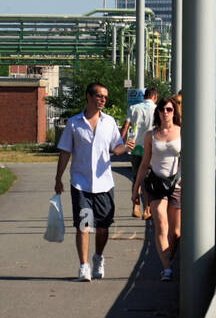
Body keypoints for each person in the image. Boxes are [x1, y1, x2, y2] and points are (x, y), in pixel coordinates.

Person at [55, 82, 127, 281]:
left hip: (104, 184)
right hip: (81, 184)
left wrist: (127, 147)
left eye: (105, 96)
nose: (103, 99)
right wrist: (58, 177)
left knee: (103, 227)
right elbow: (65, 152)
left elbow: (116, 148)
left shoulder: (110, 122)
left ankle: (98, 257)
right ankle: (84, 266)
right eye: (99, 96)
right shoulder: (74, 123)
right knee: (84, 225)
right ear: (88, 96)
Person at [132, 96, 182, 282]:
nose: (166, 113)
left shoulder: (181, 132)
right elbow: (145, 163)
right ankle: (166, 268)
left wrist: (183, 179)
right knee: (161, 223)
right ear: (158, 113)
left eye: (169, 109)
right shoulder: (151, 135)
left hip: (176, 184)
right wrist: (136, 188)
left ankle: (168, 256)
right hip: (156, 183)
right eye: (162, 110)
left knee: (176, 232)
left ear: (174, 112)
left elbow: (188, 158)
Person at [125, 87, 158, 219]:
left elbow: (126, 125)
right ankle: (147, 210)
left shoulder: (134, 108)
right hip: (150, 147)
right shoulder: (157, 109)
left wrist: (123, 143)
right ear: (155, 97)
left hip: (135, 147)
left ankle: (135, 207)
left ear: (145, 96)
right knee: (148, 180)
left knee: (136, 178)